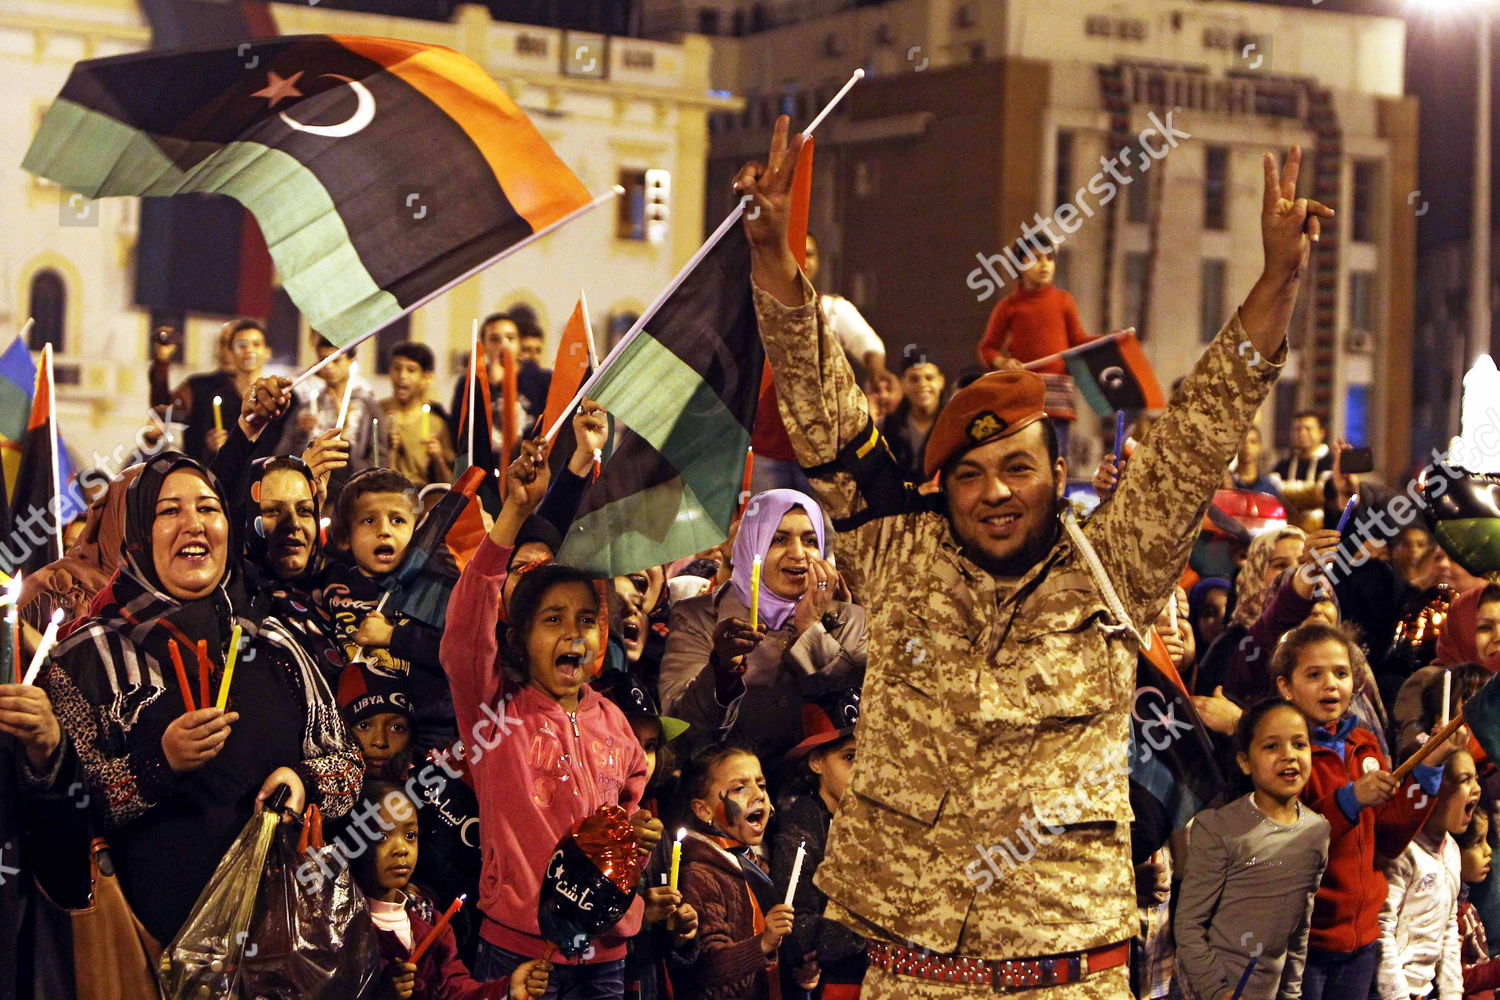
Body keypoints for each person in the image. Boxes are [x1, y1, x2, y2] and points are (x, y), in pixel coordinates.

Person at [735, 116, 1329, 996]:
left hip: (1068, 978)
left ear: (1059, 470)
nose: (996, 492)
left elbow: (1199, 434)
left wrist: (1276, 281)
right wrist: (778, 266)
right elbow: (826, 413)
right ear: (942, 487)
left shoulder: (1114, 564)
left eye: (1018, 466)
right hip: (912, 978)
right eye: (970, 474)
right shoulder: (899, 553)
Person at [38, 453, 363, 942]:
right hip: (149, 947)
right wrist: (158, 764)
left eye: (209, 509)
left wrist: (303, 782)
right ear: (139, 534)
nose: (193, 524)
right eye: (169, 512)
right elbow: (64, 811)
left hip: (277, 947)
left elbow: (348, 766)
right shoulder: (86, 656)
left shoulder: (275, 641)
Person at [440, 441, 653, 993]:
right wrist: (512, 513)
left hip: (606, 955)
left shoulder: (615, 723)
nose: (571, 634)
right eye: (552, 619)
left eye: (585, 619)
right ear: (518, 638)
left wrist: (638, 837)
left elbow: (626, 817)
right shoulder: (494, 715)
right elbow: (466, 631)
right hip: (519, 955)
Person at [1271, 621, 1462, 1000]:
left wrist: (1429, 769)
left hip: (1361, 938)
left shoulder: (1366, 743)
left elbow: (1388, 840)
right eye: (1314, 674)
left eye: (1341, 673)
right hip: (1305, 941)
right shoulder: (1282, 749)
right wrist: (1349, 800)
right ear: (1285, 687)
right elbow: (1286, 838)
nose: (1331, 684)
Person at [658, 489, 866, 779]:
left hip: (822, 791)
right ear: (749, 546)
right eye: (778, 539)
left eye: (810, 540)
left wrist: (811, 627)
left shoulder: (849, 618)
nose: (798, 553)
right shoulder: (699, 616)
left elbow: (853, 707)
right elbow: (682, 728)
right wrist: (722, 670)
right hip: (731, 792)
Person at [1174, 699, 1330, 1000]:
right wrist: (1217, 991)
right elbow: (1189, 925)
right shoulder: (1219, 827)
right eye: (1271, 747)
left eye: (1299, 744)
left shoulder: (1317, 831)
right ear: (1245, 762)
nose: (1289, 756)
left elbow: (1298, 928)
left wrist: (1291, 993)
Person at [350, 780, 552, 1000]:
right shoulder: (342, 928)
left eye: (410, 836)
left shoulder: (428, 919)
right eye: (382, 836)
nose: (401, 849)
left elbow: (456, 991)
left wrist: (508, 989)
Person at [319, 468, 455, 754]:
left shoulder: (432, 590)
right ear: (345, 537)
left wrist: (393, 637)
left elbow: (456, 653)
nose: (384, 530)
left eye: (398, 520)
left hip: (424, 743)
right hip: (348, 742)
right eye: (369, 520)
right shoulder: (333, 579)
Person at [670, 743, 818, 1000]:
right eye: (740, 788)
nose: (759, 795)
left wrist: (798, 973)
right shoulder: (700, 874)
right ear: (704, 810)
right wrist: (764, 943)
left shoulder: (755, 863)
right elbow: (707, 969)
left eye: (761, 785)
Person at [773, 689, 867, 998]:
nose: (864, 770)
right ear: (816, 761)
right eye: (850, 757)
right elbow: (801, 932)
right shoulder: (800, 830)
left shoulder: (880, 820)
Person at [975, 235, 1091, 459]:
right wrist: (1003, 362)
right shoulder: (1008, 306)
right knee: (1025, 455)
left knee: (1057, 457)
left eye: (1049, 258)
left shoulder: (1064, 301)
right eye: (1036, 258)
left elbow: (1078, 341)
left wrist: (1107, 341)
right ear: (1019, 264)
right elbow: (987, 348)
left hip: (1059, 398)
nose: (1045, 264)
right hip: (1023, 396)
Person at [1375, 749, 1479, 1000]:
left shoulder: (1452, 850)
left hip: (1427, 990)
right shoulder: (1403, 851)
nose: (1476, 788)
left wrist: (1452, 992)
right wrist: (1397, 995)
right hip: (1394, 991)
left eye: (1475, 778)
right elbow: (1382, 929)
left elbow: (1448, 926)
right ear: (1433, 788)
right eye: (1464, 780)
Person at [277, 334, 381, 498]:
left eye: (336, 360)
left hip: (355, 492)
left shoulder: (367, 406)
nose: (328, 367)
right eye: (323, 360)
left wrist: (346, 436)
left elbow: (378, 459)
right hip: (312, 490)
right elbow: (282, 454)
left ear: (351, 360)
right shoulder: (308, 405)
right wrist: (301, 432)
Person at [382, 343, 456, 487]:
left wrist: (438, 458)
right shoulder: (377, 413)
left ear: (425, 377)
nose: (402, 376)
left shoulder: (436, 423)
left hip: (421, 497)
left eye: (411, 370)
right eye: (397, 368)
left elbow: (448, 485)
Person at [880, 345, 946, 484]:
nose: (922, 384)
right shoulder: (887, 426)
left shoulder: (954, 424)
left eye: (929, 378)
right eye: (914, 379)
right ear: (903, 383)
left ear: (941, 381)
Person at [1272, 411, 1334, 531]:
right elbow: (1272, 492)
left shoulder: (1331, 463)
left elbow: (1321, 496)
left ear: (1321, 433)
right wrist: (1309, 493)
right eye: (1297, 429)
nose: (1302, 433)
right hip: (1287, 530)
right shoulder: (1283, 464)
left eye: (1308, 429)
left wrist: (1286, 491)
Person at [1227, 425, 1284, 500]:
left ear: (1260, 447)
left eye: (1253, 442)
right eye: (1243, 442)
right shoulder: (1226, 484)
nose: (1247, 446)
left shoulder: (1269, 489)